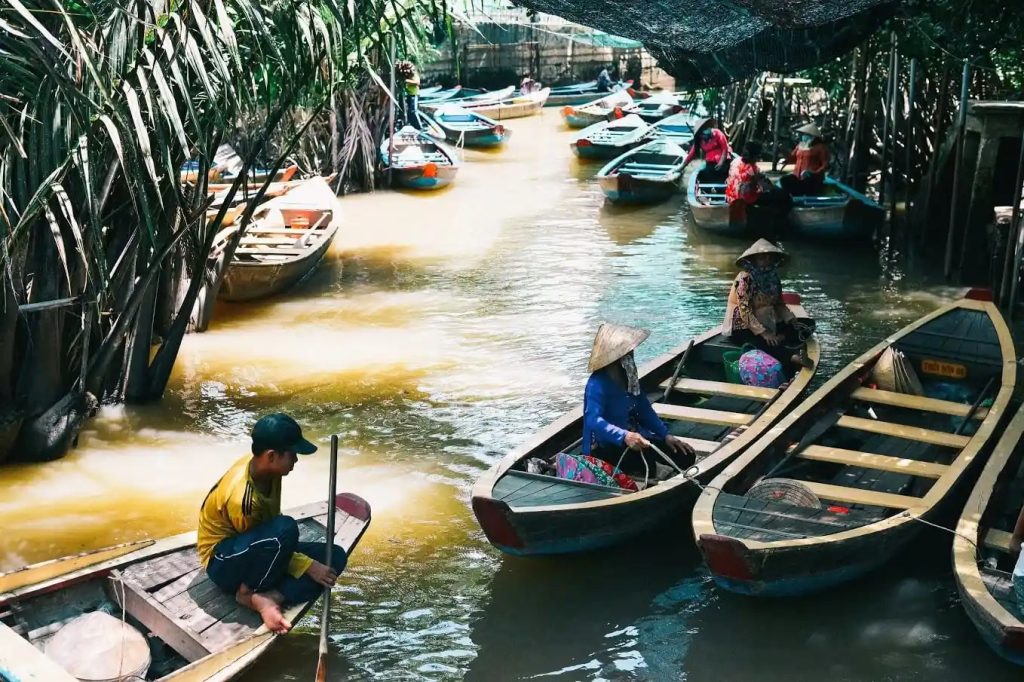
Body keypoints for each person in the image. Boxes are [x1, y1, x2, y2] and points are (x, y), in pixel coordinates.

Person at [197, 413, 346, 634]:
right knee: (285, 529)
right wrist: (307, 566)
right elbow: (262, 546)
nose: (296, 460)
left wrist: (311, 565)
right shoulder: (242, 498)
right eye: (292, 454)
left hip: (258, 545)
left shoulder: (269, 472)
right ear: (272, 456)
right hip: (224, 561)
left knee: (334, 556)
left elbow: (267, 536)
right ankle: (249, 595)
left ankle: (273, 597)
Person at [583, 323, 696, 477]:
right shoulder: (597, 384)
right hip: (608, 446)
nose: (632, 353)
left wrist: (665, 435)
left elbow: (643, 408)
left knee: (685, 456)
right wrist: (624, 436)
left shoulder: (628, 376)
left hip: (637, 437)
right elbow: (593, 420)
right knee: (648, 461)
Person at [722, 239, 814, 369]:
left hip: (768, 320)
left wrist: (789, 318)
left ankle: (780, 338)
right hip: (743, 326)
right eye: (762, 257)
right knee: (761, 343)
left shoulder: (773, 278)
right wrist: (764, 333)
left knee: (807, 325)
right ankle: (792, 357)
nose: (766, 260)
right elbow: (745, 311)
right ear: (754, 260)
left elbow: (779, 303)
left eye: (769, 257)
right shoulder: (745, 278)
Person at [726, 141, 792, 214]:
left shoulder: (735, 161)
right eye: (758, 156)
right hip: (743, 198)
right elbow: (763, 186)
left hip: (731, 197)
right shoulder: (752, 168)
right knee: (781, 197)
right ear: (755, 155)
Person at [779, 123, 829, 196]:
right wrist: (784, 151)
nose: (803, 136)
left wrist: (813, 173)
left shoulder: (820, 147)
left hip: (811, 178)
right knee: (784, 180)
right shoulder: (800, 146)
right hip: (797, 176)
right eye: (803, 134)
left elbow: (825, 165)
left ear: (813, 136)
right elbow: (792, 159)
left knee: (807, 184)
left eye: (806, 134)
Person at [682, 118, 733, 182]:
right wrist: (682, 166)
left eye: (708, 128)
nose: (707, 130)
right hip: (710, 163)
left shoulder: (717, 133)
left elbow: (724, 149)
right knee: (704, 174)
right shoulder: (699, 140)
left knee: (720, 172)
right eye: (704, 130)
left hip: (724, 160)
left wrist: (721, 163)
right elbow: (691, 155)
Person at [398, 60, 422, 129]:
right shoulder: (406, 76)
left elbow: (417, 82)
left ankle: (419, 127)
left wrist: (407, 81)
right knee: (409, 112)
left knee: (413, 111)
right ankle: (413, 126)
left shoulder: (414, 75)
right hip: (408, 94)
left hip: (414, 94)